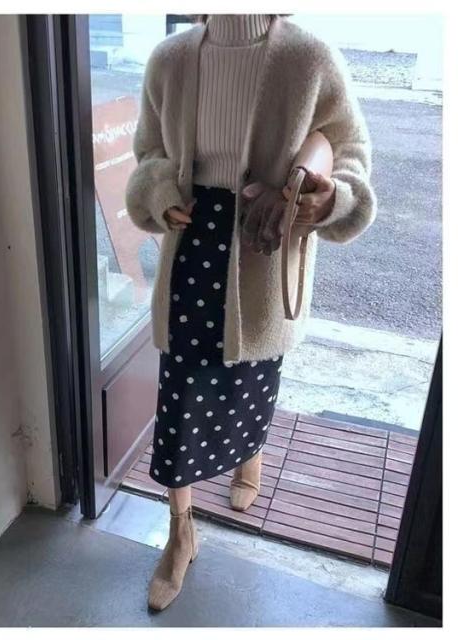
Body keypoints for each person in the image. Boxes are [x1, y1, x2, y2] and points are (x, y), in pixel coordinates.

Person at [124, 13, 377, 612]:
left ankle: (248, 455)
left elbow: (351, 155)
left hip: (263, 239)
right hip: (193, 237)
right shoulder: (170, 59)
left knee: (252, 371)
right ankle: (181, 532)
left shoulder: (309, 58)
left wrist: (327, 200)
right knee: (182, 387)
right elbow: (148, 154)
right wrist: (159, 191)